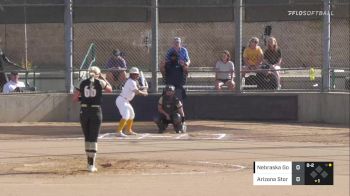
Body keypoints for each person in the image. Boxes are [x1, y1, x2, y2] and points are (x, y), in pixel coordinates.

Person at [72, 66, 113, 172]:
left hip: (84, 111)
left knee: (87, 137)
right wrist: (103, 78)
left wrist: (84, 98)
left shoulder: (81, 82)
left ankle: (88, 162)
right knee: (93, 137)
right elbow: (110, 90)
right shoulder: (100, 82)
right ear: (98, 74)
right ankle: (91, 165)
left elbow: (75, 98)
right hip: (96, 111)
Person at [115, 67, 148, 137]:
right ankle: (119, 131)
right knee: (126, 115)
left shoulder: (134, 82)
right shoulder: (131, 81)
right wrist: (144, 93)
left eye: (137, 74)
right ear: (131, 75)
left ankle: (128, 130)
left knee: (132, 115)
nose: (137, 75)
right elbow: (136, 92)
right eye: (135, 74)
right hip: (122, 100)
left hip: (125, 101)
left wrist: (143, 90)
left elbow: (138, 89)